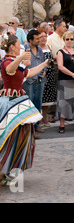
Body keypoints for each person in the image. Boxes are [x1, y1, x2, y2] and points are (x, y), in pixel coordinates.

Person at [0, 34, 49, 185]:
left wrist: (44, 64)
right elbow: (9, 69)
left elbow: (29, 73)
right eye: (18, 45)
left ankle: (7, 170)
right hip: (10, 102)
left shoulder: (17, 61)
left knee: (20, 135)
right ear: (12, 47)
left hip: (19, 101)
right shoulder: (7, 61)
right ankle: (4, 171)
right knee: (8, 136)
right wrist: (21, 58)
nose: (20, 47)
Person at [55, 30, 74, 134]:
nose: (69, 41)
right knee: (63, 102)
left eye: (71, 39)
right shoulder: (61, 51)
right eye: (67, 39)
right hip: (65, 79)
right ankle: (62, 124)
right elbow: (60, 66)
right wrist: (73, 74)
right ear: (64, 40)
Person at [23, 29, 47, 138]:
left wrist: (44, 71)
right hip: (29, 80)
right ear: (30, 40)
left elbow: (43, 61)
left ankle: (36, 125)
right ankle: (30, 129)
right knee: (29, 103)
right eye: (37, 39)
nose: (39, 40)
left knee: (38, 102)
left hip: (39, 79)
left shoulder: (40, 49)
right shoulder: (25, 49)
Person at [39, 28, 57, 128]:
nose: (43, 39)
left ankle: (44, 118)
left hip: (50, 74)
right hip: (41, 74)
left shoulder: (48, 46)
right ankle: (39, 120)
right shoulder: (37, 48)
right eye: (41, 37)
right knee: (40, 98)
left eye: (45, 36)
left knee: (46, 99)